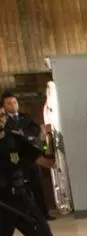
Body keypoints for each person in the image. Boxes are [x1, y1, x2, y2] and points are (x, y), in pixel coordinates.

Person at [2, 91, 50, 220]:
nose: (12, 105)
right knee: (23, 186)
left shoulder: (25, 117)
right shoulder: (4, 119)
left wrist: (22, 133)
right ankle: (27, 214)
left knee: (38, 185)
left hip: (30, 155)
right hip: (16, 157)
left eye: (14, 102)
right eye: (9, 103)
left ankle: (44, 213)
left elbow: (35, 129)